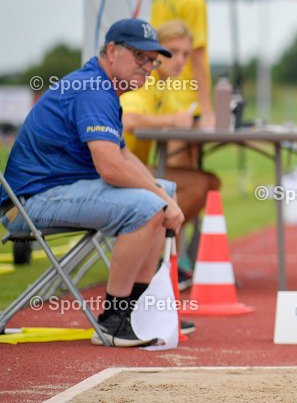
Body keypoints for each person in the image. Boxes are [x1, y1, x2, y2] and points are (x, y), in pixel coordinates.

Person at [0, 19, 191, 346]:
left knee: (164, 193)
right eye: (140, 57)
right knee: (150, 205)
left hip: (52, 193)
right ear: (113, 51)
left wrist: (164, 194)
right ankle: (113, 321)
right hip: (28, 205)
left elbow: (124, 156)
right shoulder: (93, 89)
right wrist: (161, 198)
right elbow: (112, 169)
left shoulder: (101, 86)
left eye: (152, 60)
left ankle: (138, 311)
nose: (147, 67)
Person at [120, 20, 221, 277]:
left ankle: (161, 255)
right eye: (172, 51)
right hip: (113, 171)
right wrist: (172, 120)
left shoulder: (166, 84)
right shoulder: (145, 80)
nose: (180, 60)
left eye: (186, 54)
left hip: (133, 168)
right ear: (154, 52)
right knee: (201, 184)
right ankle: (156, 257)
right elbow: (128, 120)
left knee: (210, 182)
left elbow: (182, 118)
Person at [150, 0, 235, 130]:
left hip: (157, 88)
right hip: (185, 93)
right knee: (183, 157)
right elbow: (197, 57)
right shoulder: (194, 1)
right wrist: (207, 111)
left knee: (165, 153)